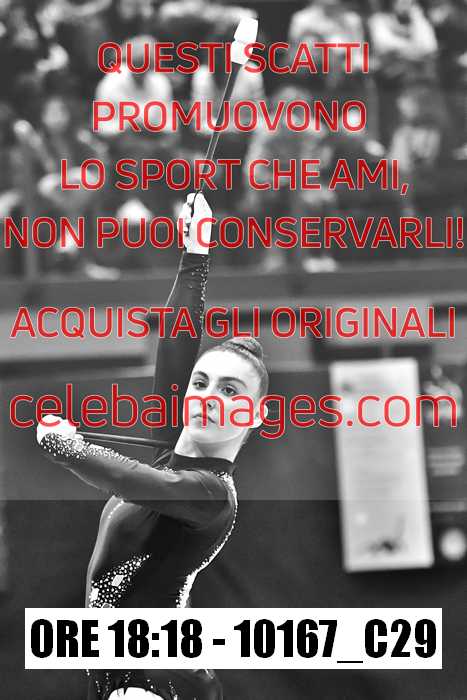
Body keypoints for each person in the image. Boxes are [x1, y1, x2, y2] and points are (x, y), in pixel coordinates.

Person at [36, 193, 269, 700]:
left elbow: (133, 480)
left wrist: (69, 448)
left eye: (231, 391)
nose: (208, 396)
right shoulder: (170, 453)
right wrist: (196, 252)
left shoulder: (211, 495)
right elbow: (177, 346)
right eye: (201, 383)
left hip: (158, 682)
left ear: (255, 415)